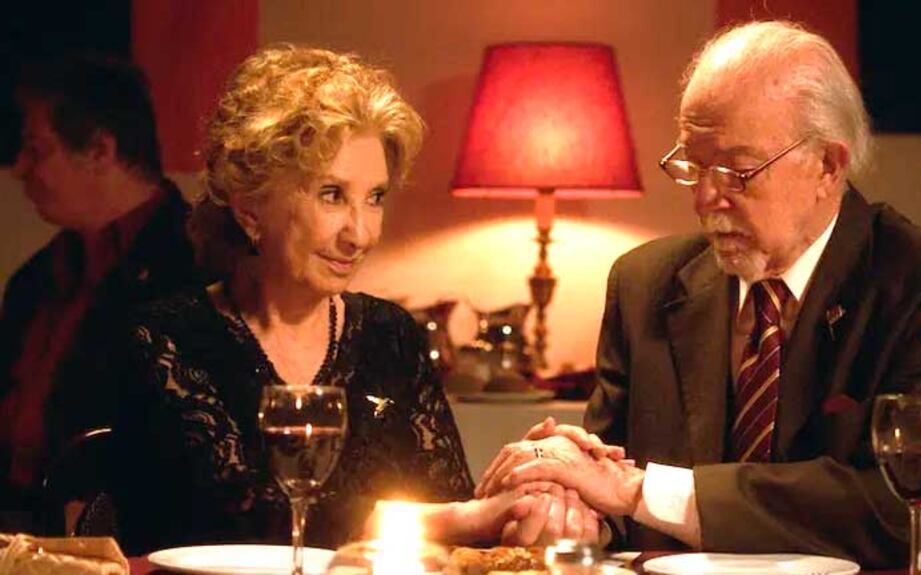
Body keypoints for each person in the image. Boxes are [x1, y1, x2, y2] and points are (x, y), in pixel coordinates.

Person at [477, 20, 921, 570]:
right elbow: (605, 481)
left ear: (827, 166)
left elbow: (903, 510)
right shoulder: (644, 284)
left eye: (737, 171)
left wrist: (638, 492)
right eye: (694, 166)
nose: (705, 198)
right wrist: (564, 499)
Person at [109, 45, 598, 555]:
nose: (361, 234)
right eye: (332, 195)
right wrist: (470, 516)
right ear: (249, 207)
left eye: (375, 197)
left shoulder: (392, 335)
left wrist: (528, 493)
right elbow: (254, 517)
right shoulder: (165, 340)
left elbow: (451, 521)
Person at [0, 56, 202, 531]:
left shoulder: (194, 270)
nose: (20, 168)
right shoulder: (37, 277)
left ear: (99, 150)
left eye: (36, 148)